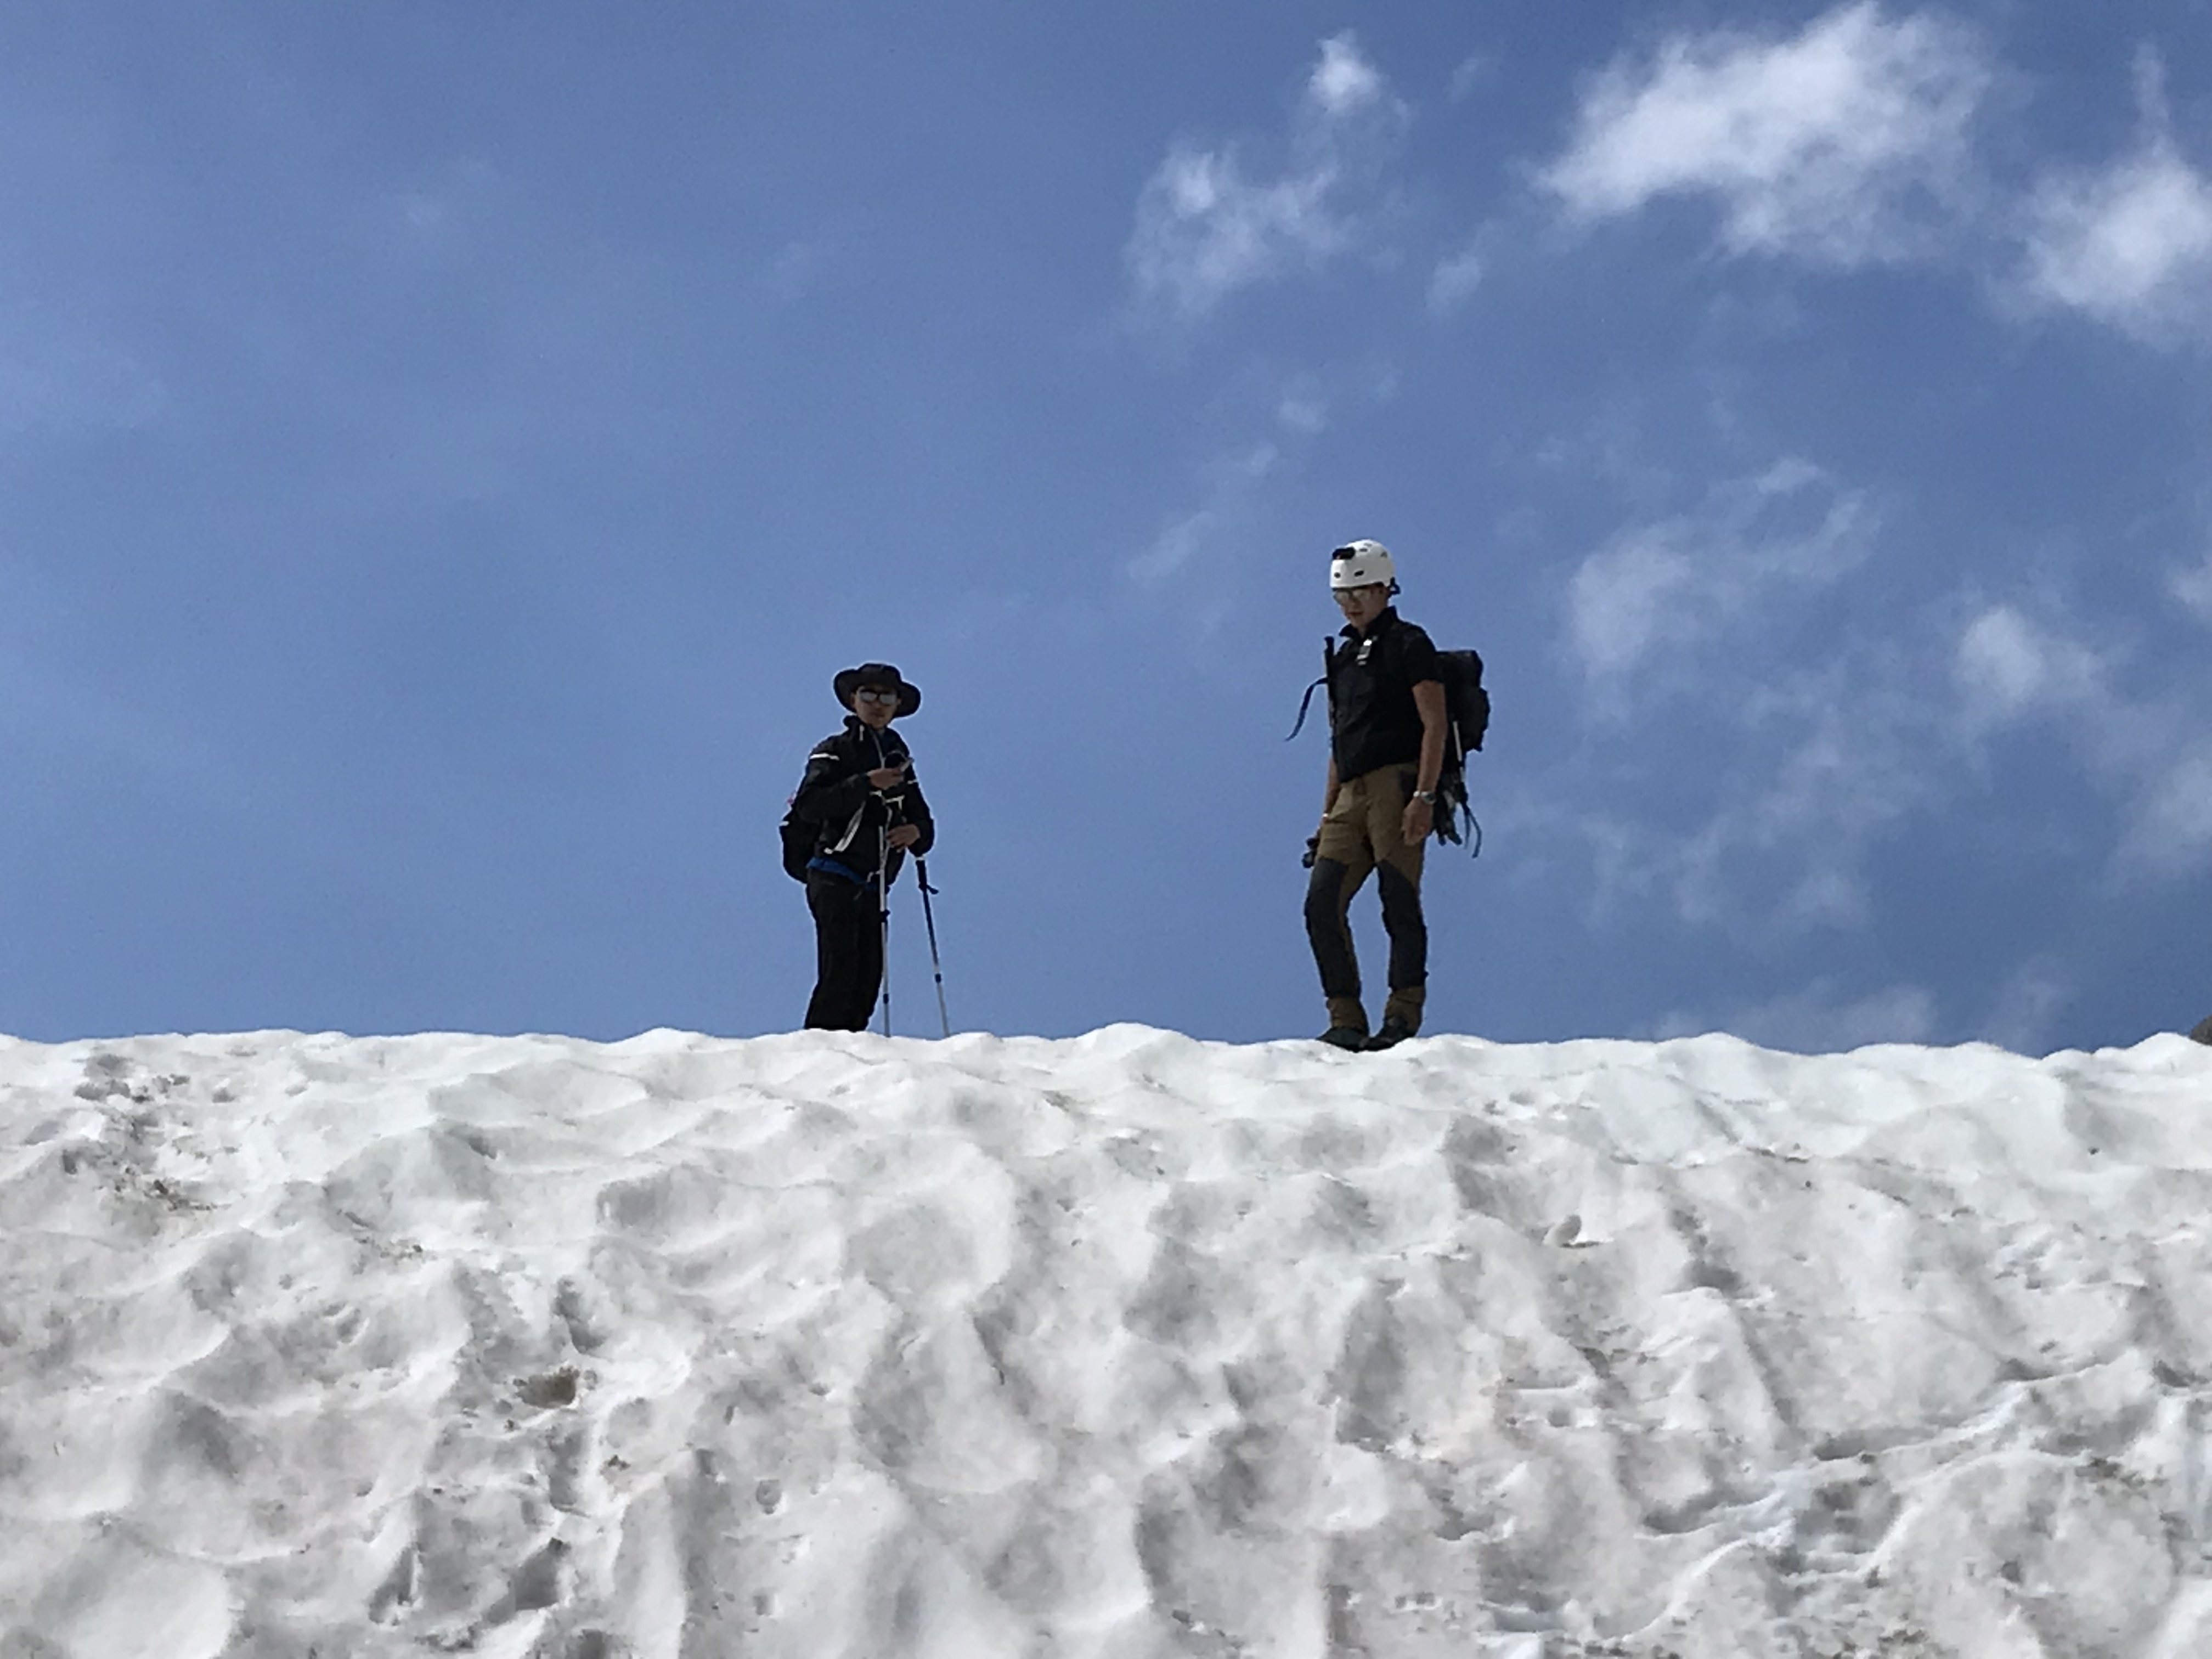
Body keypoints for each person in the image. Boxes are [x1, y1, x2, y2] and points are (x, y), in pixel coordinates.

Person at [1303, 540, 1448, 1051]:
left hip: (1399, 785)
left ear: (1386, 587)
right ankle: (1345, 1019)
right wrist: (1326, 815)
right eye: (1342, 593)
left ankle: (1402, 1017)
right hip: (1350, 794)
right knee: (1321, 903)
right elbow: (1338, 742)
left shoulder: (1410, 643)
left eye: (1361, 591)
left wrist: (1425, 797)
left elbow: (1435, 723)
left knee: (1398, 900)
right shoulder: (1342, 656)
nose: (1351, 603)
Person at [788, 662, 934, 1031]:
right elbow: (810, 804)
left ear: (898, 703)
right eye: (868, 694)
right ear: (853, 701)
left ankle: (851, 1051)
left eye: (887, 696)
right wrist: (866, 783)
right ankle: (817, 1050)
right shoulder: (834, 750)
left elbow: (925, 826)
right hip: (832, 872)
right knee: (840, 969)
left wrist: (914, 832)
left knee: (868, 977)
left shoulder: (900, 759)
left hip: (874, 885)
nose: (878, 704)